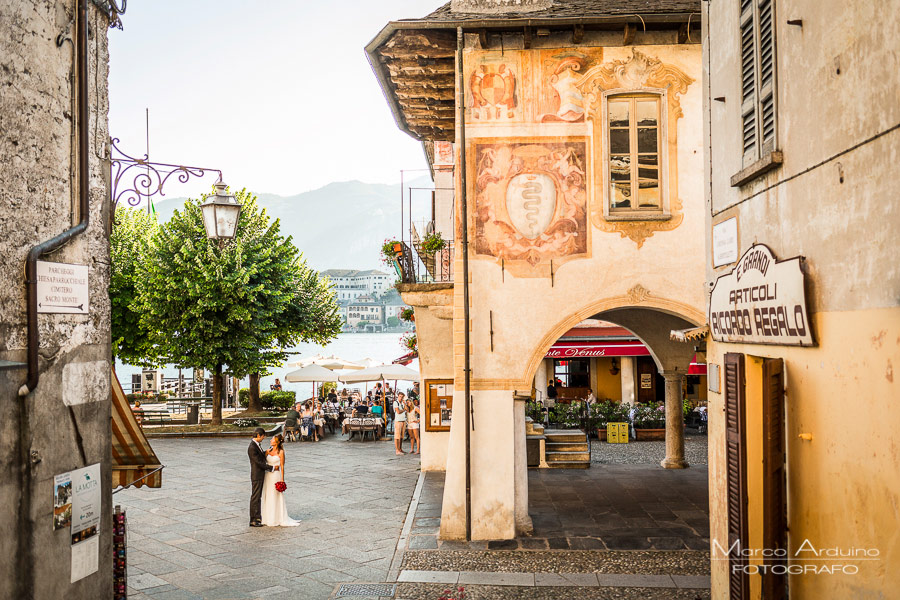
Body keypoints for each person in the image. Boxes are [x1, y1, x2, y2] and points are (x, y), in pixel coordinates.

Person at [261, 434, 299, 526]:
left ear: (277, 442)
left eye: (272, 439)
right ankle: (267, 517)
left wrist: (282, 480)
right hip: (268, 475)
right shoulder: (268, 450)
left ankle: (277, 517)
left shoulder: (281, 452)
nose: (270, 440)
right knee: (267, 494)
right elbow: (262, 461)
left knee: (275, 495)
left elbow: (282, 466)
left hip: (276, 476)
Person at [247, 428, 277, 527]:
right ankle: (254, 519)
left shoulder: (256, 445)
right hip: (257, 474)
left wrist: (265, 453)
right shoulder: (252, 447)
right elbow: (258, 462)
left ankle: (257, 517)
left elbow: (259, 457)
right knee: (256, 496)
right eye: (263, 436)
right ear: (259, 435)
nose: (264, 438)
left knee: (257, 496)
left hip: (259, 474)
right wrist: (271, 467)